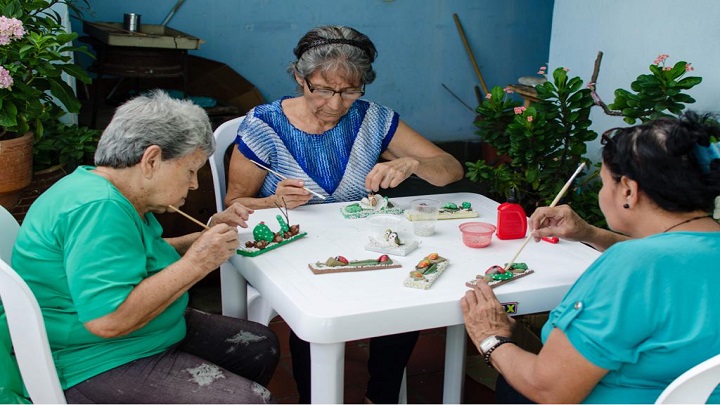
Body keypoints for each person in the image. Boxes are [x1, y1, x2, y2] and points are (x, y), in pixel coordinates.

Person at [225, 25, 464, 403]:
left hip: (360, 240)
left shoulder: (374, 119)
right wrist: (275, 202)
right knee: (316, 305)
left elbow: (451, 169)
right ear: (299, 78)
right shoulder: (264, 124)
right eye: (322, 90)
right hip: (294, 245)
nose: (335, 104)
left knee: (407, 294)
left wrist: (412, 162)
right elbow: (233, 205)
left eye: (350, 91)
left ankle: (381, 395)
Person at [10, 91, 280, 403]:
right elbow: (108, 320)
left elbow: (127, 256)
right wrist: (198, 262)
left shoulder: (103, 189)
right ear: (151, 160)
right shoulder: (98, 208)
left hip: (143, 333)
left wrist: (203, 239)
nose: (194, 185)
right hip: (92, 359)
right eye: (190, 170)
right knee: (249, 400)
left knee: (260, 344)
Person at [462, 111, 720, 403]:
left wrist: (491, 338)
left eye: (602, 183)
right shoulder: (687, 251)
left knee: (513, 385)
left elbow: (549, 390)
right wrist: (590, 233)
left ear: (628, 190)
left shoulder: (632, 267)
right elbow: (673, 255)